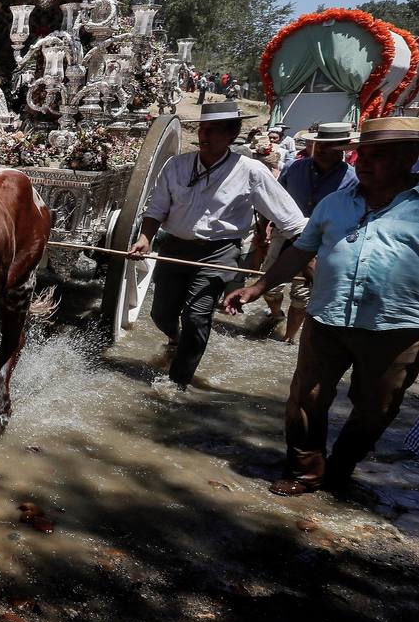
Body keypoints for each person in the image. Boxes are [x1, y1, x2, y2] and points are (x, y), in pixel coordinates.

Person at [225, 117, 419, 496]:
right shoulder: (335, 204)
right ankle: (305, 472)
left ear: (409, 157)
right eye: (362, 154)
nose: (364, 162)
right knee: (305, 398)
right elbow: (301, 249)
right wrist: (258, 286)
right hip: (327, 316)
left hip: (396, 329)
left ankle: (341, 468)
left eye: (377, 156)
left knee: (376, 409)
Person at [131, 102, 307, 388]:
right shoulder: (176, 166)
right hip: (174, 249)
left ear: (232, 133)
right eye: (202, 128)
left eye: (213, 129)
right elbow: (155, 210)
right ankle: (175, 339)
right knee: (160, 313)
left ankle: (177, 382)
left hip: (219, 252)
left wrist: (307, 258)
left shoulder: (252, 171)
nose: (205, 134)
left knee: (196, 316)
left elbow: (292, 221)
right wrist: (145, 238)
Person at [269, 123, 358, 344]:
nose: (321, 149)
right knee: (269, 286)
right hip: (286, 235)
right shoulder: (294, 167)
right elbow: (274, 198)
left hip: (324, 242)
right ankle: (275, 315)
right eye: (320, 144)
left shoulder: (353, 179)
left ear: (343, 149)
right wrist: (266, 227)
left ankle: (289, 338)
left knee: (302, 295)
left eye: (330, 146)